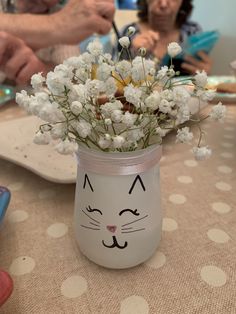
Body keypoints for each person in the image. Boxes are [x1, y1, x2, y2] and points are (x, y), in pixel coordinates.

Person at [0, 0, 115, 84]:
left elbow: (74, 76)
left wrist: (41, 70)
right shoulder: (64, 21)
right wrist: (57, 24)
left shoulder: (63, 14)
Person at [119, 0, 212, 75]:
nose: (163, 4)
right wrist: (132, 56)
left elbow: (200, 77)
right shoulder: (128, 34)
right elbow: (117, 81)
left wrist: (203, 74)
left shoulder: (192, 31)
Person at [0, 0, 115, 49]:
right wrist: (57, 24)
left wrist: (39, 68)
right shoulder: (62, 19)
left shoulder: (60, 11)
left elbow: (71, 72)